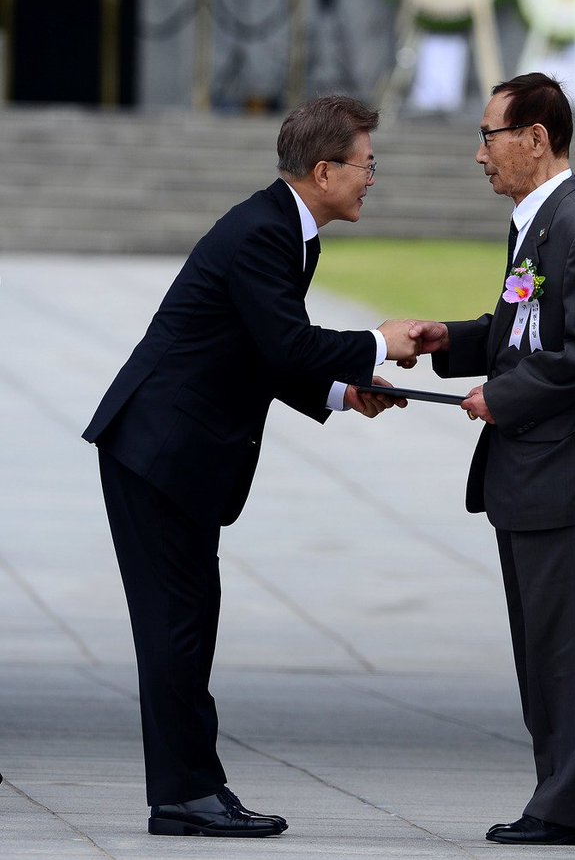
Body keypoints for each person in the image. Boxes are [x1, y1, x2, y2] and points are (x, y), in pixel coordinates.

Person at [82, 95, 419, 837]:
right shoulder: (264, 233)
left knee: (189, 621)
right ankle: (183, 794)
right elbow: (288, 343)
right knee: (176, 626)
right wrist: (376, 341)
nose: (373, 178)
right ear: (325, 169)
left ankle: (193, 786)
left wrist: (343, 389)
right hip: (157, 451)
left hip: (174, 454)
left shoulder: (288, 233)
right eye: (367, 165)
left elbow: (266, 351)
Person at [405, 73, 575, 846]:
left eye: (490, 136)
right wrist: (447, 338)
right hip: (534, 476)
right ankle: (556, 797)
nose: (479, 154)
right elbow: (521, 327)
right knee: (542, 654)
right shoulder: (537, 224)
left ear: (536, 139)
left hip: (568, 479)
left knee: (564, 656)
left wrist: (505, 398)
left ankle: (567, 807)